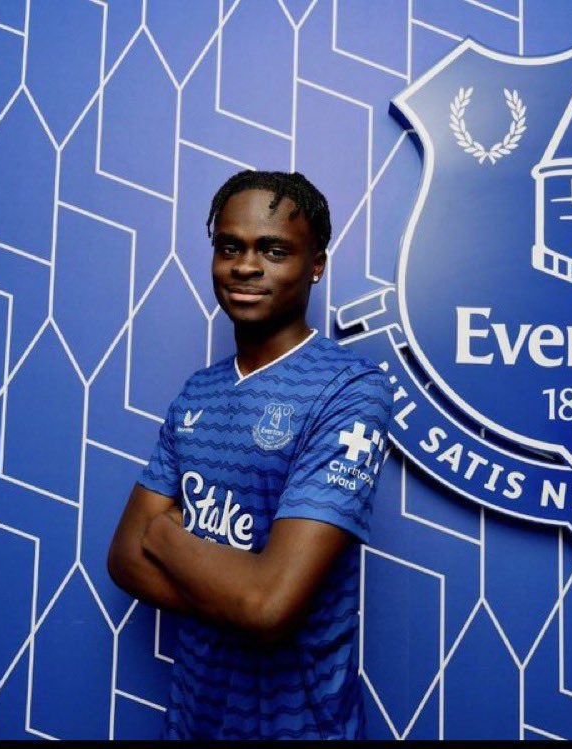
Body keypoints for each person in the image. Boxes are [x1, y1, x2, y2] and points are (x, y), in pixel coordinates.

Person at [107, 170, 392, 740]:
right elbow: (123, 560)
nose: (245, 266)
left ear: (316, 265)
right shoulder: (199, 392)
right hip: (193, 721)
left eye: (274, 250)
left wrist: (164, 536)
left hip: (303, 728)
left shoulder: (350, 389)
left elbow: (268, 606)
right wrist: (241, 595)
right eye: (229, 247)